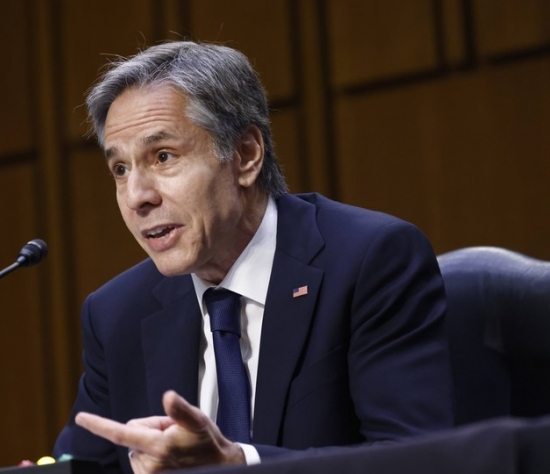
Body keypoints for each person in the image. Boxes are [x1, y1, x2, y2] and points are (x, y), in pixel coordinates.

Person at [53, 41, 452, 474]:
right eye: (120, 169)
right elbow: (81, 465)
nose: (137, 197)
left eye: (163, 157)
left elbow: (414, 459)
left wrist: (240, 463)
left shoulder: (368, 262)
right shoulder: (117, 315)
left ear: (245, 155)